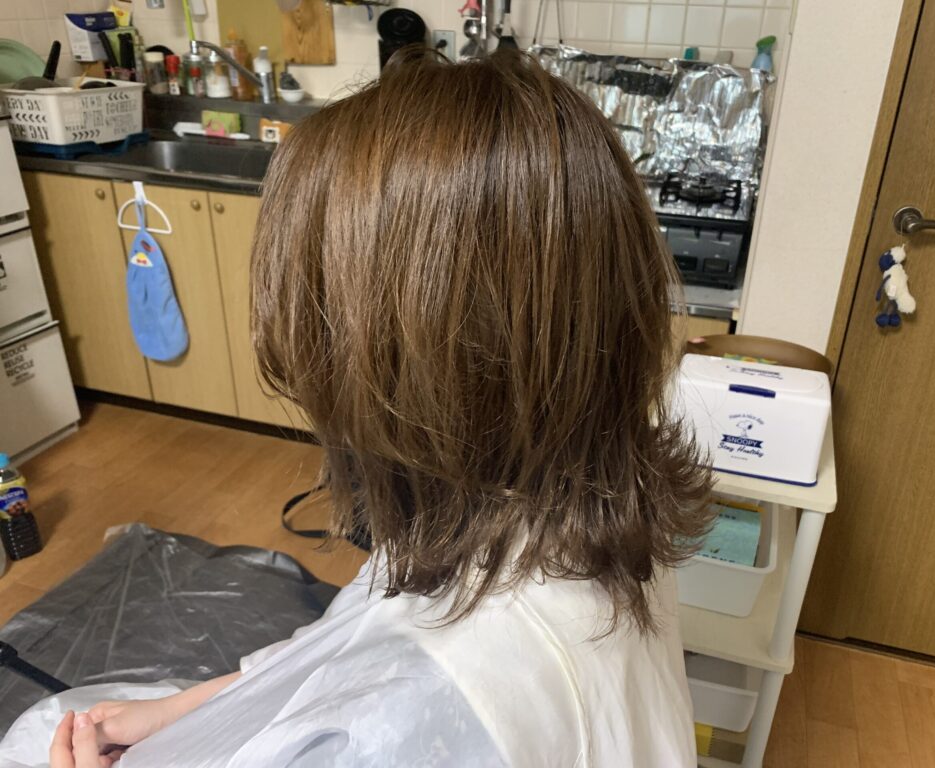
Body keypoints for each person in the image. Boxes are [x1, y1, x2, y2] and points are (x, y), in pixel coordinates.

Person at [1, 49, 714, 767]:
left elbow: (387, 701)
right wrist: (181, 709)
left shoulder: (409, 721)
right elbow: (334, 659)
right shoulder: (579, 514)